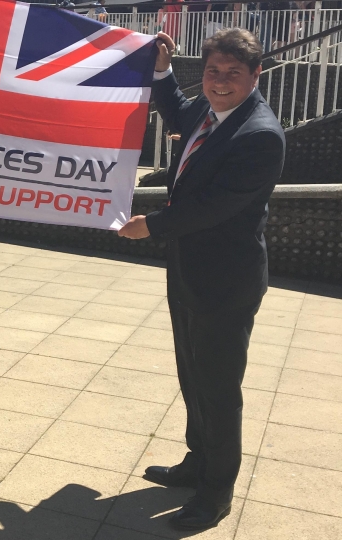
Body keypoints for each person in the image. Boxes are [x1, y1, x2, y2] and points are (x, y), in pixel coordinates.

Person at [118, 28, 285, 531]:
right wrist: (163, 67)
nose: (220, 82)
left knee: (218, 388)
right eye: (213, 71)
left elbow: (215, 208)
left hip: (226, 283)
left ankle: (216, 493)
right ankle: (197, 462)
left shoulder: (258, 134)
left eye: (233, 73)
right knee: (191, 376)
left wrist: (153, 225)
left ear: (255, 76)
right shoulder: (207, 113)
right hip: (188, 271)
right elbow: (174, 106)